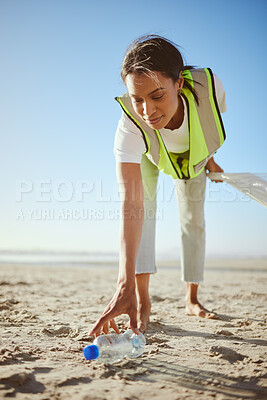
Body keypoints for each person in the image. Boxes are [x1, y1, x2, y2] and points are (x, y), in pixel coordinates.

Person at [89, 35, 227, 337]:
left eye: (156, 95)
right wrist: (123, 284)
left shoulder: (210, 87)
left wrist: (210, 159)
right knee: (144, 209)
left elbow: (207, 123)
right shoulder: (131, 126)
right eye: (137, 99)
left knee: (193, 222)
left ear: (179, 83)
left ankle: (191, 300)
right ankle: (140, 299)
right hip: (152, 157)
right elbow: (131, 206)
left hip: (193, 159)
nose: (147, 111)